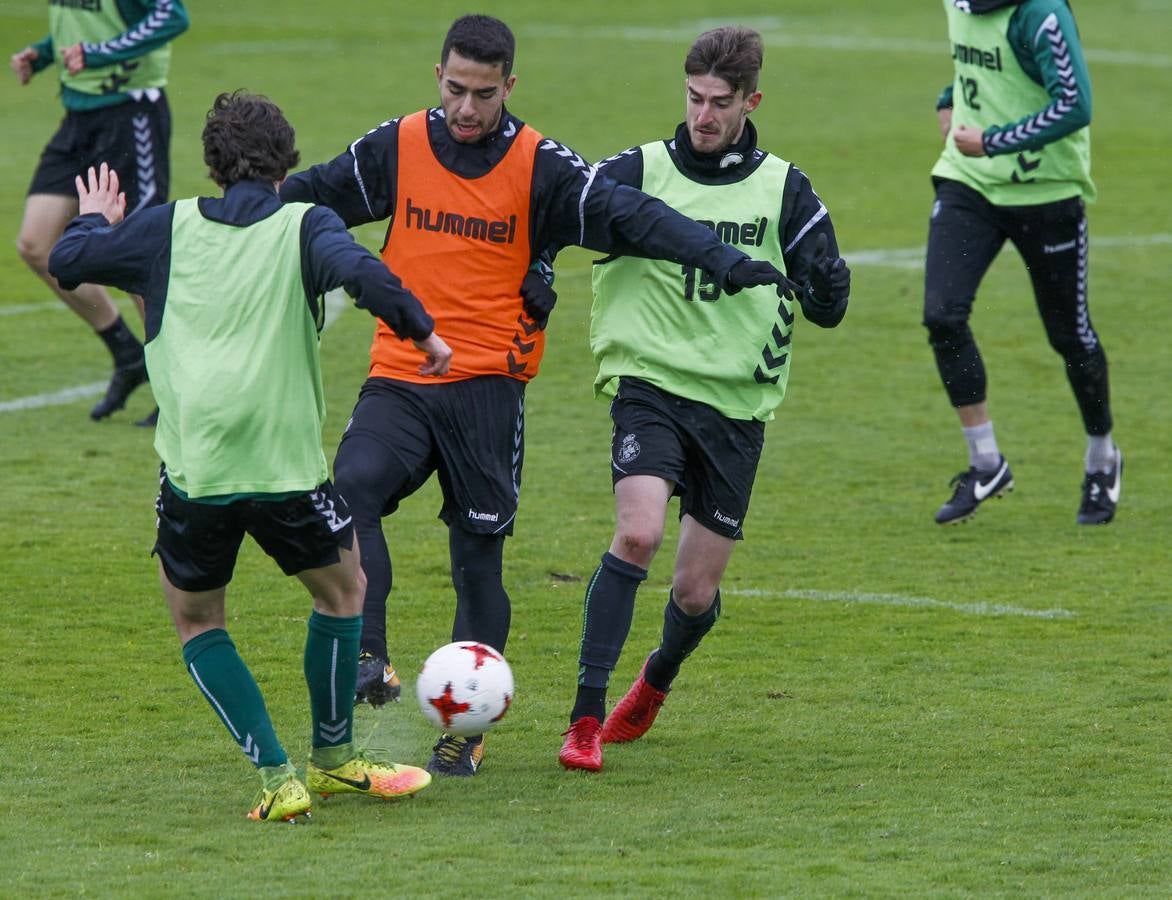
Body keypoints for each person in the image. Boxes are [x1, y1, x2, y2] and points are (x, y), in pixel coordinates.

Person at [280, 13, 797, 778]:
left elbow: (635, 218)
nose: (465, 109)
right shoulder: (395, 147)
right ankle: (369, 656)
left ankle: (466, 727)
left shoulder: (539, 165)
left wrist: (720, 258)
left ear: (508, 88)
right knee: (351, 489)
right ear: (438, 77)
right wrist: (233, 221)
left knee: (476, 563)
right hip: (402, 375)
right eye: (454, 90)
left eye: (482, 95)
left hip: (489, 387)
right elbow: (309, 195)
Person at [48, 91, 452, 823]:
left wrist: (94, 220)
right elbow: (366, 277)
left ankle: (277, 777)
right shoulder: (307, 225)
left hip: (198, 471)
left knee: (199, 621)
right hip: (286, 469)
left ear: (212, 163)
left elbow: (68, 259)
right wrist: (422, 334)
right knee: (343, 592)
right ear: (285, 162)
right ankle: (335, 760)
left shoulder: (164, 227)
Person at [556, 26, 851, 772]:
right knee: (638, 535)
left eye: (721, 103)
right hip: (650, 384)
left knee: (693, 590)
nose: (704, 116)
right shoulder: (638, 170)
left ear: (751, 101)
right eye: (694, 98)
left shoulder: (784, 187)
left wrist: (826, 284)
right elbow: (555, 209)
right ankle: (584, 719)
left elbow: (828, 303)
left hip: (735, 409)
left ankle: (654, 681)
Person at [925, 0, 1120, 526]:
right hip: (970, 186)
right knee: (943, 315)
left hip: (1047, 194)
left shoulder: (1041, 13)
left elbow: (1075, 104)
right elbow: (981, 62)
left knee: (1069, 336)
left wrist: (992, 141)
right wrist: (949, 98)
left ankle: (1102, 457)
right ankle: (986, 461)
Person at [11, 0, 189, 425]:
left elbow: (172, 16)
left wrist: (97, 54)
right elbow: (81, 22)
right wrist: (45, 52)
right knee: (37, 245)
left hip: (131, 114)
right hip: (78, 117)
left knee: (139, 256)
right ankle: (128, 354)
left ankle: (178, 390)